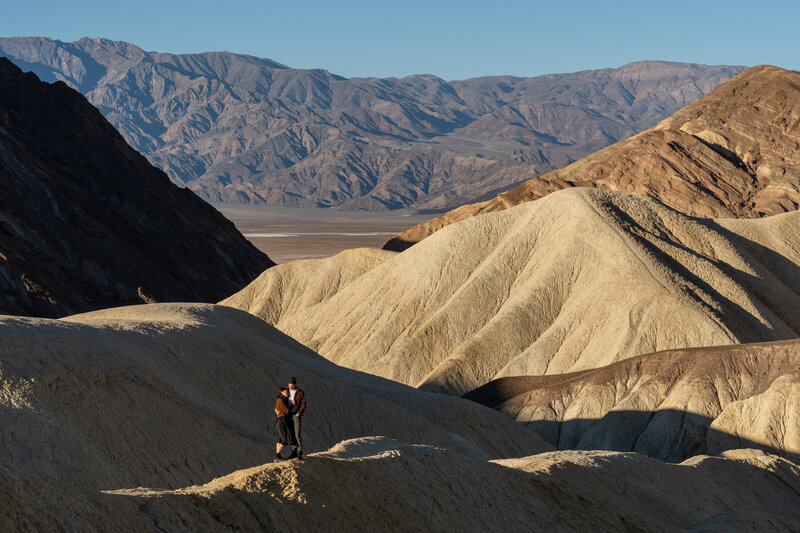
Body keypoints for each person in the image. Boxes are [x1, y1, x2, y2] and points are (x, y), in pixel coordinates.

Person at [287, 377, 306, 460]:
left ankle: (299, 452)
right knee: (291, 434)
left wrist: (299, 412)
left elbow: (304, 404)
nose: (291, 386)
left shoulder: (300, 393)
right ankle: (293, 452)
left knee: (297, 433)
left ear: (295, 385)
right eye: (290, 385)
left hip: (296, 415)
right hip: (288, 415)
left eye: (293, 385)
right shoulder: (285, 392)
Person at [274, 387, 292, 462]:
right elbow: (287, 411)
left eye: (287, 392)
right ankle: (277, 456)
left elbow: (275, 408)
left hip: (280, 420)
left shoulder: (282, 400)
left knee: (280, 439)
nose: (287, 393)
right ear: (281, 392)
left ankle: (278, 456)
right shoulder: (280, 400)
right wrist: (293, 404)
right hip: (282, 421)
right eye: (285, 392)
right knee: (285, 440)